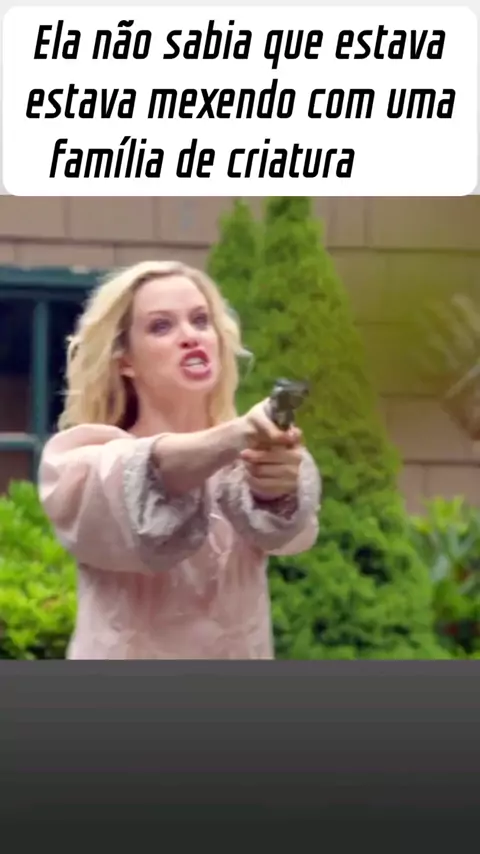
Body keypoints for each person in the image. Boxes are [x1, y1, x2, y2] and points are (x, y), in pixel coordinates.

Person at [38, 260, 321, 659]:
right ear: (125, 360)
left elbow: (295, 538)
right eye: (161, 326)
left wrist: (279, 487)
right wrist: (236, 434)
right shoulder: (82, 463)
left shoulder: (247, 459)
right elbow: (137, 475)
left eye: (200, 320)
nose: (190, 336)